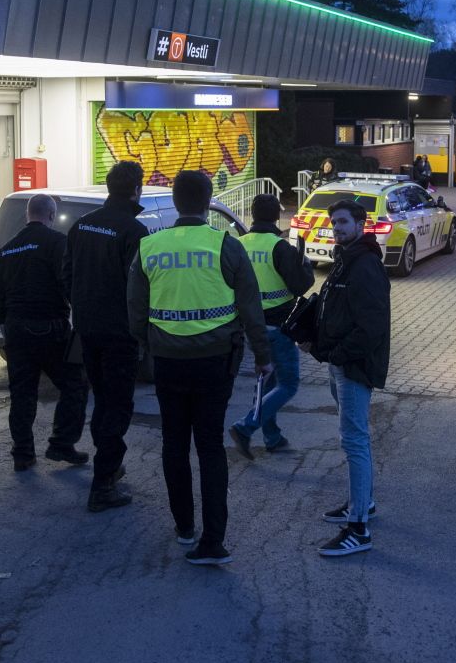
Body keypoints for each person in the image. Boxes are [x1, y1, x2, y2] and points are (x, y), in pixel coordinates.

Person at [127, 170, 274, 566]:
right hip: (215, 362)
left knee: (174, 443)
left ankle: (184, 527)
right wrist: (263, 355)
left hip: (168, 362)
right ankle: (213, 541)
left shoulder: (149, 247)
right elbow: (250, 309)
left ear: (175, 202)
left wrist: (151, 345)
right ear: (209, 202)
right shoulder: (226, 245)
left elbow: (135, 313)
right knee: (209, 446)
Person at [308, 198, 390, 556]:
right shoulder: (347, 260)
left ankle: (359, 529)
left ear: (361, 223)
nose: (337, 228)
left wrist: (337, 356)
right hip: (340, 362)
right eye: (334, 223)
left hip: (353, 366)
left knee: (354, 441)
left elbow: (371, 326)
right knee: (355, 439)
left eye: (343, 222)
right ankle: (364, 503)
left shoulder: (365, 264)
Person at [65, 160, 149, 513]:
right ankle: (103, 485)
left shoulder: (82, 226)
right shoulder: (134, 231)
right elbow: (139, 289)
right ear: (136, 190)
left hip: (88, 331)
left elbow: (66, 277)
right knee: (117, 405)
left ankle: (110, 467)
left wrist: (84, 310)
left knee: (102, 400)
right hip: (119, 335)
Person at [0, 193, 89, 473]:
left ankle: (23, 454)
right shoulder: (58, 243)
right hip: (52, 330)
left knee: (22, 394)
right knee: (74, 385)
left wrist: (9, 324)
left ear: (28, 215)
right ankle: (61, 443)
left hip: (18, 333)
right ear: (52, 216)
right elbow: (68, 281)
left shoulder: (8, 249)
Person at [229, 193, 314, 457]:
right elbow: (301, 286)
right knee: (288, 384)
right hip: (278, 327)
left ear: (252, 215)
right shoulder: (280, 247)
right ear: (277, 216)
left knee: (269, 381)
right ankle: (245, 426)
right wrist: (306, 266)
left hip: (250, 327)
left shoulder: (237, 244)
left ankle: (272, 437)